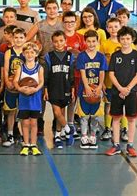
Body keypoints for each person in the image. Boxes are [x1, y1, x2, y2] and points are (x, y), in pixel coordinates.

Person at [105, 26, 137, 157]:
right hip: (117, 92)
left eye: (128, 38)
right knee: (115, 118)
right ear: (119, 40)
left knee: (131, 119)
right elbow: (111, 73)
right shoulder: (116, 56)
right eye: (123, 39)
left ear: (132, 39)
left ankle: (130, 145)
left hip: (131, 92)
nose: (125, 41)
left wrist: (128, 89)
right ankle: (115, 145)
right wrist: (120, 88)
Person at [76, 30, 107, 149]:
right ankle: (84, 135)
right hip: (84, 90)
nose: (91, 44)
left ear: (97, 41)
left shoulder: (101, 57)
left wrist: (99, 86)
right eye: (88, 41)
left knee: (94, 115)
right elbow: (83, 73)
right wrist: (87, 87)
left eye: (93, 41)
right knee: (84, 115)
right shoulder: (82, 56)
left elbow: (102, 73)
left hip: (96, 90)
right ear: (85, 42)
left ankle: (93, 135)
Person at [44, 31, 75, 149]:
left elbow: (71, 73)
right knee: (56, 112)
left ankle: (57, 135)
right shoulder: (49, 56)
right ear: (52, 42)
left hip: (66, 87)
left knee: (61, 113)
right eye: (56, 41)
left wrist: (72, 88)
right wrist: (45, 88)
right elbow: (46, 74)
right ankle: (68, 130)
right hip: (53, 87)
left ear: (65, 41)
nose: (58, 43)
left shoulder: (70, 56)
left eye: (61, 41)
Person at [14, 42, 44, 156]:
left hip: (35, 99)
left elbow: (41, 82)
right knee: (25, 122)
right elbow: (15, 82)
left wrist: (35, 90)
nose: (29, 54)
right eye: (27, 52)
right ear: (23, 54)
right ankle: (26, 144)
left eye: (32, 52)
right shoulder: (20, 68)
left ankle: (34, 144)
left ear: (36, 54)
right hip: (24, 99)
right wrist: (20, 89)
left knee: (34, 122)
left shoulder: (39, 68)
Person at [62, 11, 87, 139]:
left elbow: (85, 56)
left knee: (73, 99)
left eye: (72, 22)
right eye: (67, 22)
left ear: (76, 22)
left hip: (77, 75)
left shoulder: (80, 38)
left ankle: (71, 123)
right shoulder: (60, 38)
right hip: (62, 75)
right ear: (63, 23)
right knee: (61, 101)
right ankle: (61, 125)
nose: (69, 24)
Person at [3, 27, 27, 147]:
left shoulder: (27, 51)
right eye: (16, 37)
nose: (18, 40)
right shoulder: (9, 52)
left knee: (22, 111)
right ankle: (10, 134)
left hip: (23, 85)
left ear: (25, 39)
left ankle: (23, 135)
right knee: (11, 111)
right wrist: (7, 81)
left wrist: (24, 83)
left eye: (21, 37)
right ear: (12, 38)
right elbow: (6, 69)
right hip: (11, 85)